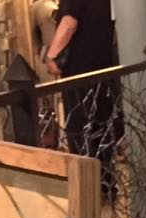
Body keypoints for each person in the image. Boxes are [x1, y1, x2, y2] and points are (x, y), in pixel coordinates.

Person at [46, 0, 118, 199]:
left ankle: (88, 193)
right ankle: (105, 186)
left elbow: (69, 23)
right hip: (103, 70)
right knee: (101, 129)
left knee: (81, 131)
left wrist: (51, 56)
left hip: (80, 74)